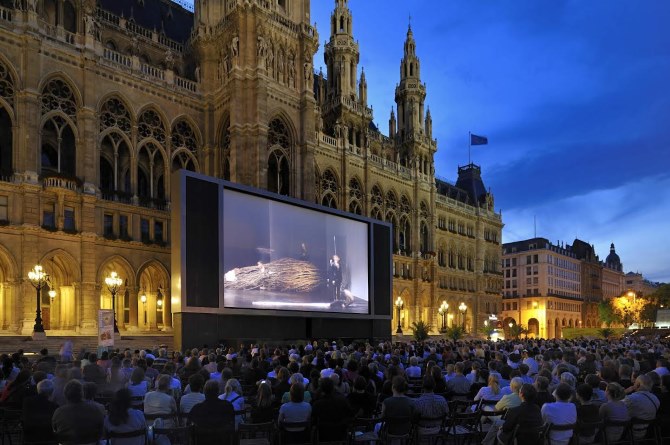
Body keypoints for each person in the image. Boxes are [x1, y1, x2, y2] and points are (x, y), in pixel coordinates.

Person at [52, 380, 105, 445]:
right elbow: (101, 430)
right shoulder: (95, 409)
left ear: (65, 394)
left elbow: (55, 430)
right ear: (82, 394)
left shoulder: (59, 412)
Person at [21, 379, 59, 444]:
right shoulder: (54, 406)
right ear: (51, 392)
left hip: (29, 436)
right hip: (49, 438)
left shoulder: (27, 401)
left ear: (38, 390)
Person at [623, 374, 660, 440]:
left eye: (635, 383)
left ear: (638, 385)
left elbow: (615, 406)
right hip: (647, 434)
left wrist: (625, 392)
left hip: (630, 433)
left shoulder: (631, 398)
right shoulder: (656, 399)